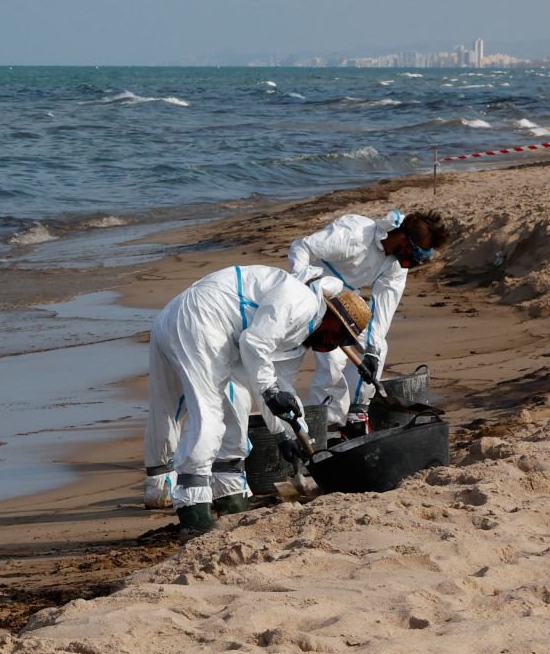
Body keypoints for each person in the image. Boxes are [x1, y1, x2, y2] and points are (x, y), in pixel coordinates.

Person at [142, 264, 370, 535]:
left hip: (206, 329)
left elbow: (279, 384)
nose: (331, 346)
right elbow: (255, 346)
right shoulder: (299, 301)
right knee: (208, 416)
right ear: (332, 317)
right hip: (201, 320)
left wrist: (287, 434)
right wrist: (271, 392)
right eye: (339, 336)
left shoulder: (300, 336)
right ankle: (194, 514)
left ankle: (230, 498)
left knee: (235, 408)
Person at [285, 209, 452, 435]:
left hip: (344, 304)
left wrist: (372, 352)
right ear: (403, 239)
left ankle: (355, 413)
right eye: (415, 253)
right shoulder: (355, 234)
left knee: (377, 347)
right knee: (333, 362)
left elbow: (383, 310)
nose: (413, 261)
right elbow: (301, 247)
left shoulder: (395, 264)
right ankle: (325, 426)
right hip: (311, 292)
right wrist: (305, 283)